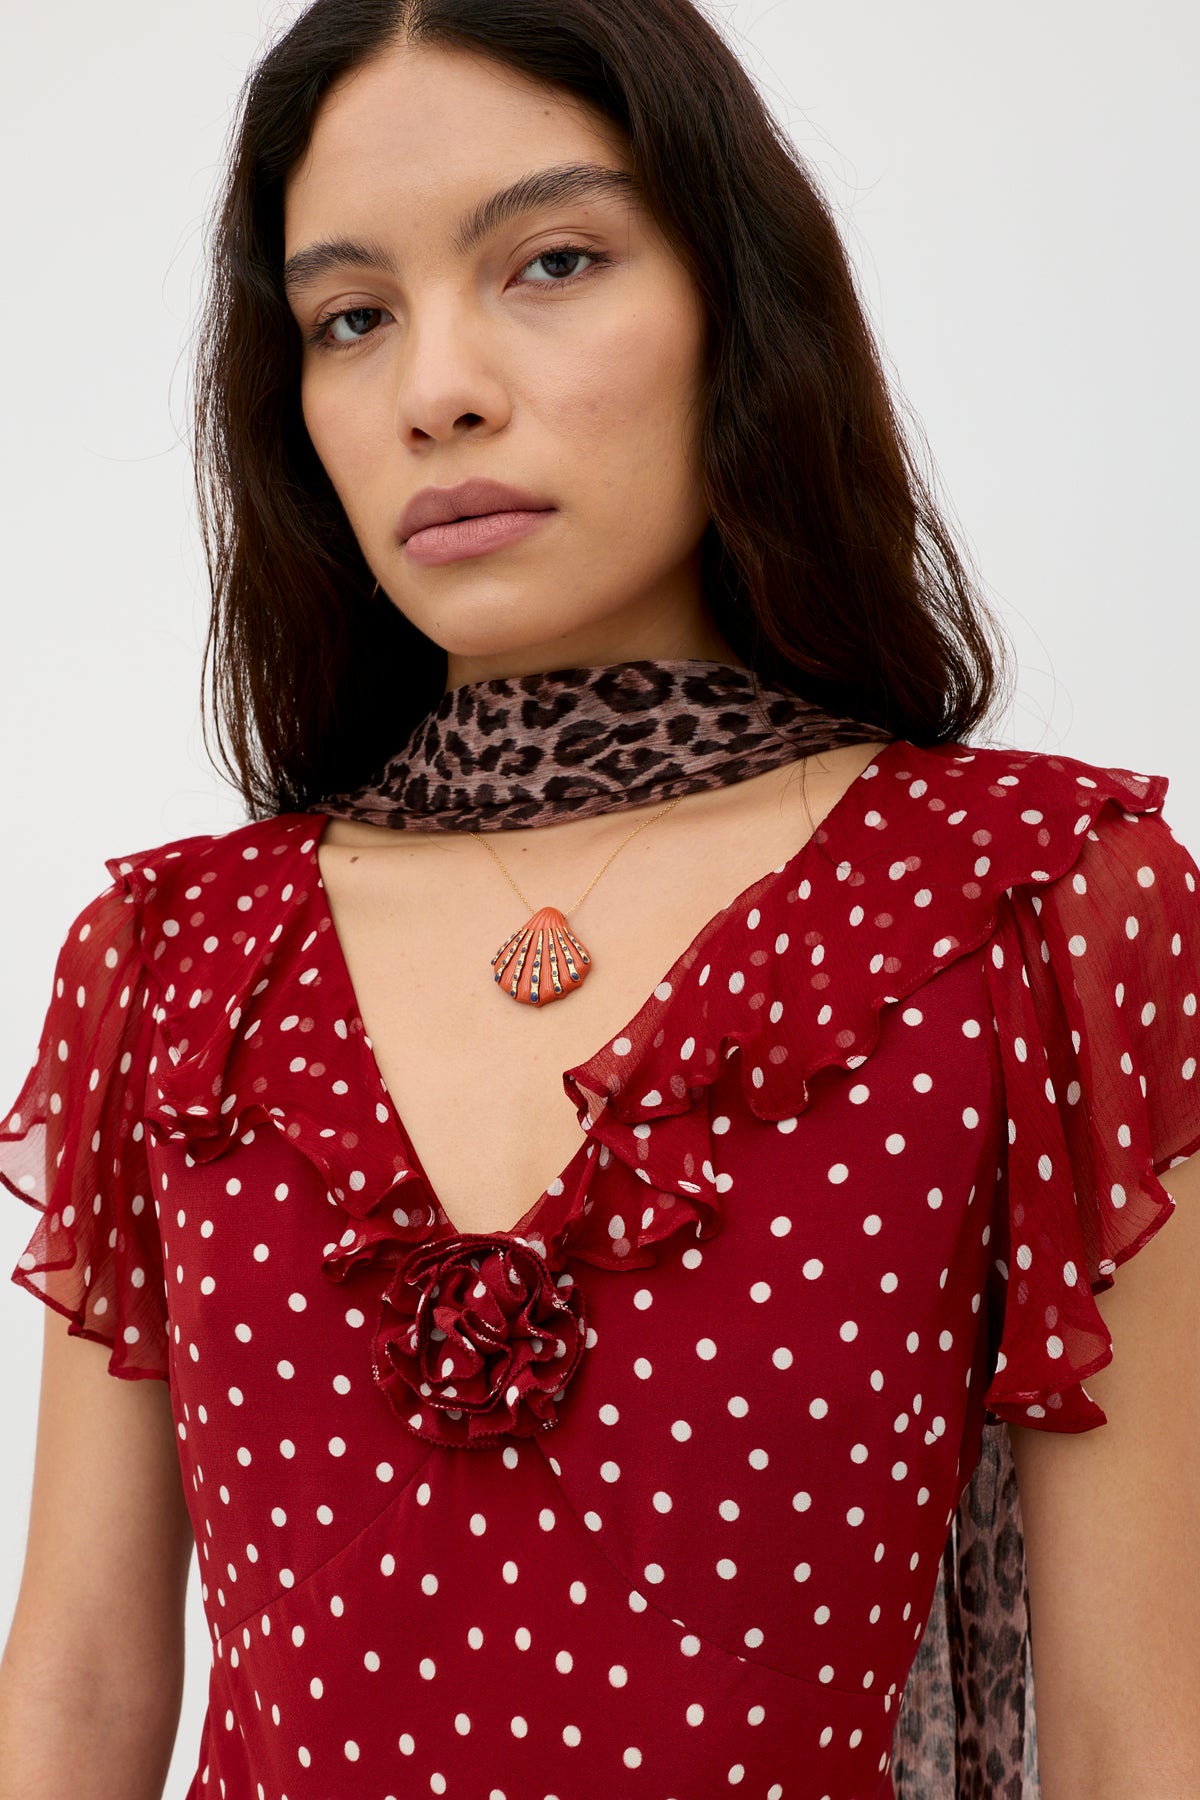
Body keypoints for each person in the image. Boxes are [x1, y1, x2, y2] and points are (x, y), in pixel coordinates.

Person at [1, 1, 1198, 1796]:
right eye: (350, 318)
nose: (436, 388)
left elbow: (1138, 1736)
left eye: (551, 262)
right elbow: (80, 1695)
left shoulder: (1029, 904)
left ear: (739, 299)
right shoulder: (178, 962)